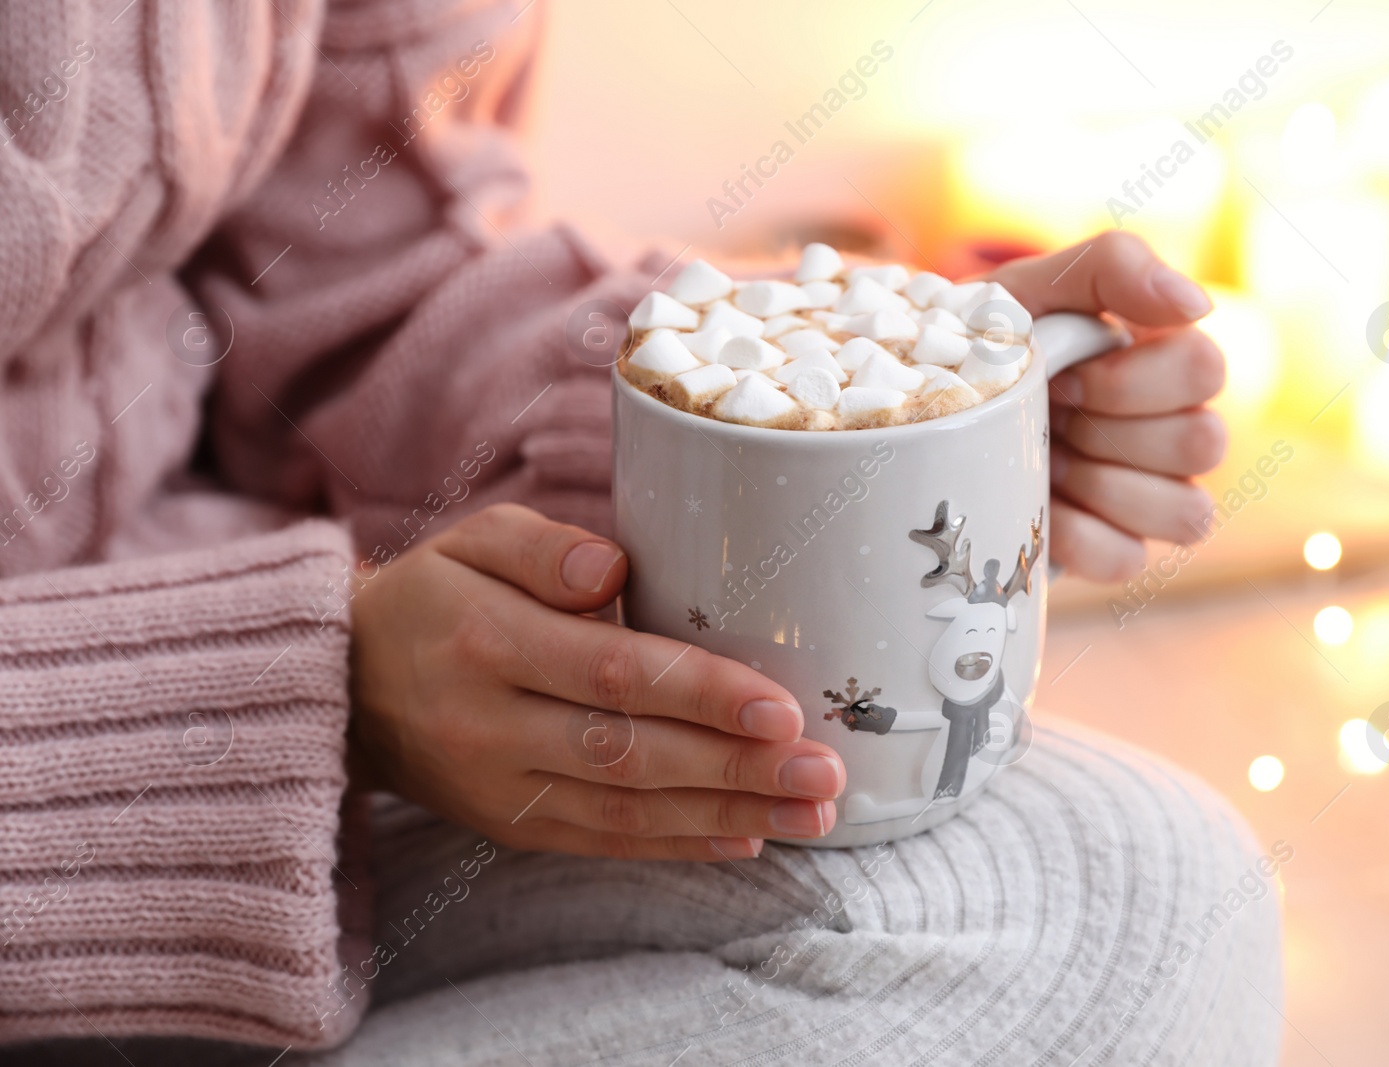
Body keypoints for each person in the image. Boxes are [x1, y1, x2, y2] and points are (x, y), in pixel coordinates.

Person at [1, 2, 1282, 1064]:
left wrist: (831, 410)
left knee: (1134, 901)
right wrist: (281, 699)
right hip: (100, 764)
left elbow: (353, 293)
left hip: (235, 671)